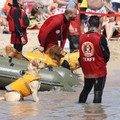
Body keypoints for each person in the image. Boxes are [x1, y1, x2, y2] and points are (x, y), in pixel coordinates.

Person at [78, 16, 110, 103]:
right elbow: (107, 54)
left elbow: (80, 53)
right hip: (99, 68)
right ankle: (96, 114)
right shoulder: (100, 37)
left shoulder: (81, 37)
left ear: (88, 24)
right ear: (99, 25)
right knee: (97, 93)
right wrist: (104, 62)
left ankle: (80, 109)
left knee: (86, 89)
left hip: (86, 67)